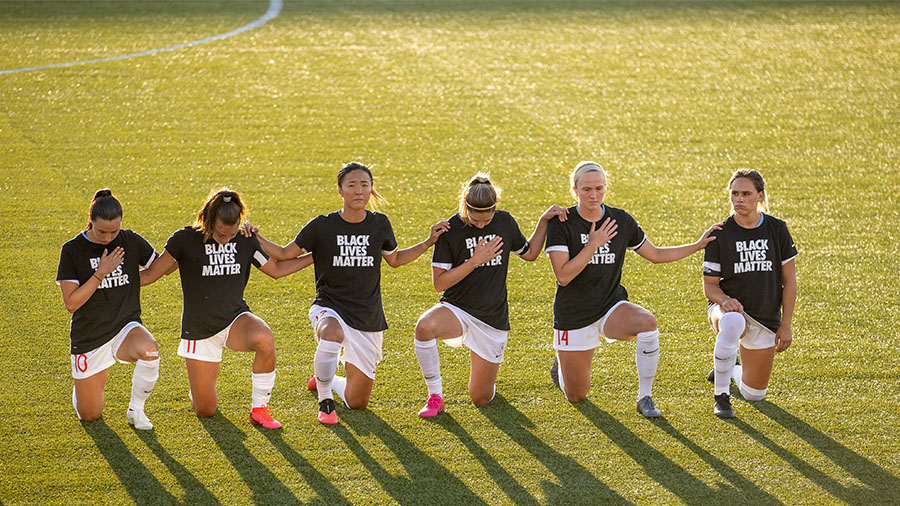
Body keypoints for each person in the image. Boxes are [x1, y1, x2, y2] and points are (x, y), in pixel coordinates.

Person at [246, 162, 448, 425]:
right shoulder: (322, 226)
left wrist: (429, 241)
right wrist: (253, 236)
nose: (358, 191)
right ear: (340, 190)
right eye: (352, 185)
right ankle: (325, 399)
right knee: (331, 334)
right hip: (329, 307)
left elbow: (395, 260)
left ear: (371, 190)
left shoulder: (380, 224)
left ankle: (324, 376)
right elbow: (285, 254)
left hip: (367, 317)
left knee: (357, 403)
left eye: (364, 185)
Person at [545, 161, 720, 418]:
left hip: (609, 306)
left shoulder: (620, 220)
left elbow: (656, 254)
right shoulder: (562, 222)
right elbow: (563, 276)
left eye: (599, 188)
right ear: (574, 191)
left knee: (647, 322)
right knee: (577, 395)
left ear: (605, 188)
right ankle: (562, 362)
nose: (593, 195)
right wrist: (593, 244)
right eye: (586, 190)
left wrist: (697, 245)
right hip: (573, 314)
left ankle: (644, 397)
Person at [140, 188, 310, 429]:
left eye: (231, 234)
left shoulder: (245, 238)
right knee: (206, 410)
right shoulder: (184, 240)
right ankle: (198, 392)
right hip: (200, 330)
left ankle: (259, 409)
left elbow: (277, 270)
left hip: (235, 319)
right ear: (208, 220)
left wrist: (316, 256)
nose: (226, 239)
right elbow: (151, 274)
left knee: (265, 338)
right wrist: (103, 282)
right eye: (221, 233)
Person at [413, 173, 568, 418]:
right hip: (457, 309)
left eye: (488, 219)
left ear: (495, 210)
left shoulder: (504, 222)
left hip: (492, 318)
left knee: (481, 397)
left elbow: (529, 253)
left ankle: (487, 379)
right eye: (476, 220)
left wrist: (543, 222)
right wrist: (475, 261)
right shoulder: (451, 230)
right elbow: (439, 283)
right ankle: (435, 396)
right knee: (424, 327)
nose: (483, 225)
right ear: (466, 208)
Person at [56, 189, 160, 429]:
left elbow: (157, 268)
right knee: (90, 414)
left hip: (125, 325)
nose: (108, 237)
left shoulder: (129, 240)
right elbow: (72, 303)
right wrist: (101, 273)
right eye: (102, 231)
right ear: (91, 220)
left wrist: (190, 241)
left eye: (114, 231)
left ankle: (137, 410)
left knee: (150, 351)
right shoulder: (72, 250)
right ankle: (82, 392)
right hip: (90, 334)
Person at [703, 169, 797, 418]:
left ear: (760, 196)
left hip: (764, 318)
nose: (739, 199)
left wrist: (785, 325)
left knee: (754, 394)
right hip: (727, 311)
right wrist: (725, 301)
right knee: (733, 321)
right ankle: (721, 397)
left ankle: (730, 368)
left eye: (746, 194)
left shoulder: (777, 229)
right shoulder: (720, 233)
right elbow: (710, 286)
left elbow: (790, 281)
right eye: (734, 193)